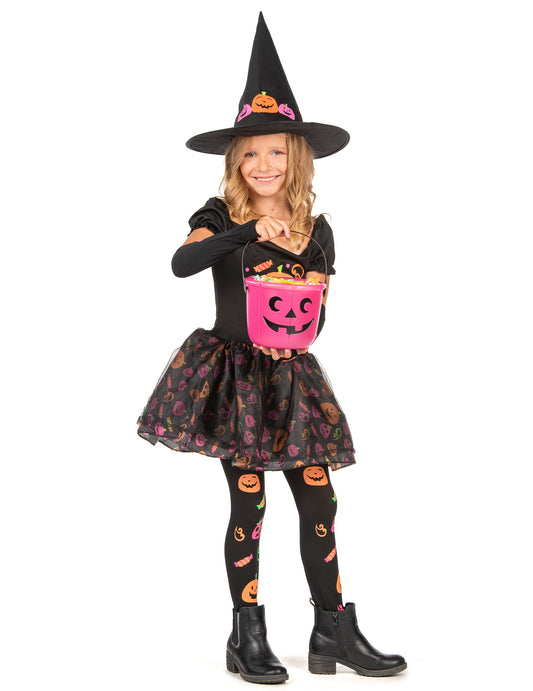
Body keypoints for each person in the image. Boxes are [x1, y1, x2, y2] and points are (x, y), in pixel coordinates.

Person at [137, 13, 406, 684]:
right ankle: (246, 631)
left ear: (297, 158)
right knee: (249, 503)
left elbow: (315, 304)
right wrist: (248, 230)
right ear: (235, 161)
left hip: (291, 379)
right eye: (251, 153)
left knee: (319, 499)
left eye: (277, 152)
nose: (264, 165)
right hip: (232, 379)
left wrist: (297, 342)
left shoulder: (317, 229)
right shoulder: (218, 215)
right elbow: (181, 262)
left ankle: (332, 627)